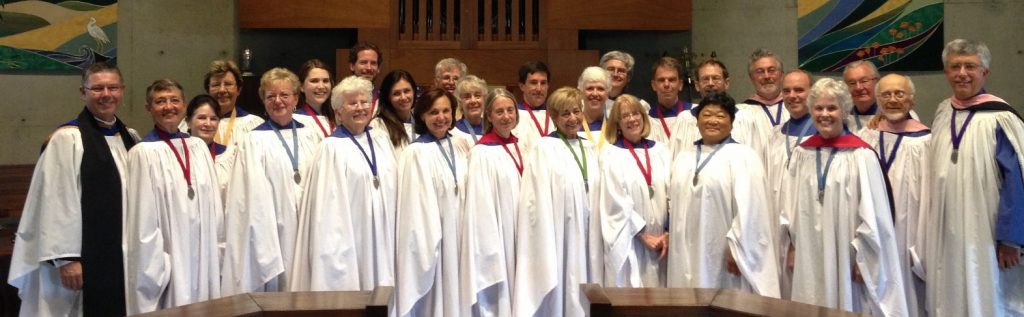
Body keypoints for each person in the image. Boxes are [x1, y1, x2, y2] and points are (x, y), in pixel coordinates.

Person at [9, 62, 137, 317]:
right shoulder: (67, 139)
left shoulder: (131, 138)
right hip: (80, 259)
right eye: (97, 88)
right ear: (83, 92)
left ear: (122, 91)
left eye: (112, 87)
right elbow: (55, 200)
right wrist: (66, 258)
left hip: (122, 257)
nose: (106, 94)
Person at [780, 78, 908, 316]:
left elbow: (874, 213)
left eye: (832, 108)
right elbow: (789, 206)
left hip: (848, 254)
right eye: (818, 108)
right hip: (809, 250)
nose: (825, 114)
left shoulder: (861, 155)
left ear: (845, 110)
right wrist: (792, 247)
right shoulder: (802, 154)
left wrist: (866, 258)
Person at [923, 39, 1024, 317]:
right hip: (947, 228)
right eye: (955, 66)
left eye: (970, 66)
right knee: (951, 291)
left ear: (985, 73)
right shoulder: (944, 111)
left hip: (986, 229)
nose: (962, 73)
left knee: (987, 294)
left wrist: (1011, 239)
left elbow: (1015, 180)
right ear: (946, 72)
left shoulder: (1000, 118)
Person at [220, 68, 325, 295]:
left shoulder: (313, 136)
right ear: (263, 100)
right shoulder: (253, 140)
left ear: (296, 97)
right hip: (274, 230)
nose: (278, 101)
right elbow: (245, 196)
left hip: (309, 226)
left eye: (284, 95)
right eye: (271, 96)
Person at [289, 75, 398, 292]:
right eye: (352, 103)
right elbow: (327, 210)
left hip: (384, 235)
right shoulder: (331, 149)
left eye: (364, 102)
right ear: (338, 112)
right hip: (352, 239)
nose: (360, 108)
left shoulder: (381, 139)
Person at [667, 92, 780, 298]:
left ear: (732, 122)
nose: (712, 120)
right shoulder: (684, 157)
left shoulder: (744, 157)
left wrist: (738, 249)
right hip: (685, 249)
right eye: (706, 115)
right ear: (697, 120)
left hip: (723, 253)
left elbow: (752, 211)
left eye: (720, 116)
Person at [124, 79, 221, 314]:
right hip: (169, 256)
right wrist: (158, 266)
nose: (169, 106)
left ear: (184, 105)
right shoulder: (142, 153)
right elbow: (142, 221)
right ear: (149, 109)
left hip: (204, 252)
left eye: (174, 100)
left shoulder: (198, 147)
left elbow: (215, 207)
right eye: (160, 101)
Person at [514, 87, 602, 316]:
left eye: (576, 111)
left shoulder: (590, 148)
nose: (572, 118)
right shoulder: (544, 148)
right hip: (560, 235)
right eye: (565, 114)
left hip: (589, 234)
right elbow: (535, 200)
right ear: (553, 117)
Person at [856, 74, 929, 317]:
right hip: (872, 230)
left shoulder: (926, 141)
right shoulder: (865, 137)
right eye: (886, 95)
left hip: (909, 233)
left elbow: (931, 197)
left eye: (900, 94)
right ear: (878, 99)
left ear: (912, 100)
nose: (893, 100)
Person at [394, 88, 469, 317]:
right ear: (422, 116)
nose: (441, 117)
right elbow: (415, 207)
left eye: (446, 111)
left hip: (462, 234)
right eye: (434, 112)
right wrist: (430, 242)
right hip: (435, 238)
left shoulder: (462, 145)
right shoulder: (415, 153)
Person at [460, 88, 522, 316]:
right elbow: (480, 205)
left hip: (524, 232)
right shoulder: (482, 153)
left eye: (510, 110)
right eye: (499, 111)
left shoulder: (523, 146)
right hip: (500, 233)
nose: (506, 116)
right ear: (489, 115)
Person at [597, 94, 670, 288]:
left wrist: (668, 233)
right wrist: (643, 234)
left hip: (663, 243)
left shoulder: (661, 151)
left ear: (643, 117)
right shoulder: (611, 154)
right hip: (631, 240)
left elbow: (674, 192)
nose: (632, 119)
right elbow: (614, 200)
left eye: (635, 113)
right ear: (617, 123)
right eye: (625, 116)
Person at [733, 49, 786, 162]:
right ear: (752, 78)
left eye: (771, 70)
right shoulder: (740, 113)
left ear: (781, 75)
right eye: (760, 72)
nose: (766, 76)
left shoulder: (796, 110)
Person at [842, 61, 920, 132]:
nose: (858, 87)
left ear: (877, 82)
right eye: (852, 83)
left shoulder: (900, 114)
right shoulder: (843, 117)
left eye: (864, 81)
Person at [204, 60, 264, 149]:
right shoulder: (194, 125)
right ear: (208, 90)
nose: (222, 90)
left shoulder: (255, 125)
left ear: (238, 90)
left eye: (228, 84)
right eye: (216, 85)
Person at [185, 95, 235, 195]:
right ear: (188, 122)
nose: (208, 124)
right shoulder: (177, 154)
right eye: (202, 118)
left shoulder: (229, 156)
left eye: (213, 119)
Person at [646, 57, 697, 154]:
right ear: (653, 85)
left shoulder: (696, 114)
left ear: (680, 84)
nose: (666, 84)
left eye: (672, 80)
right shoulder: (646, 119)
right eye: (661, 80)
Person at [370, 70, 418, 159]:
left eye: (407, 91)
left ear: (414, 91)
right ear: (387, 97)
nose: (403, 97)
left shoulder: (421, 122)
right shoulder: (378, 125)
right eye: (396, 93)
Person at [512, 61, 554, 155]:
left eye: (543, 83)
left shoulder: (557, 114)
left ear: (548, 86)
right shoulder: (513, 116)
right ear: (522, 86)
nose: (539, 89)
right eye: (533, 83)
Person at [296, 59, 334, 136]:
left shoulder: (337, 117)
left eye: (325, 81)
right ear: (301, 86)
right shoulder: (296, 119)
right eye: (314, 81)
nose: (321, 86)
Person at [577, 66, 611, 147]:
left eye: (600, 89)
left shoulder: (614, 127)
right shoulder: (573, 126)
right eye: (590, 88)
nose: (595, 94)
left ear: (607, 94)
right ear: (581, 92)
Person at [452, 74, 487, 146]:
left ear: (484, 99)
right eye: (467, 97)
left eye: (477, 95)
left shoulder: (493, 127)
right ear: (460, 102)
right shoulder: (454, 132)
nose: (473, 101)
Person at [349, 42, 383, 114]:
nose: (369, 68)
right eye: (363, 62)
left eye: (373, 63)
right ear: (352, 66)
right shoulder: (341, 96)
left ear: (378, 68)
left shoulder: (384, 100)